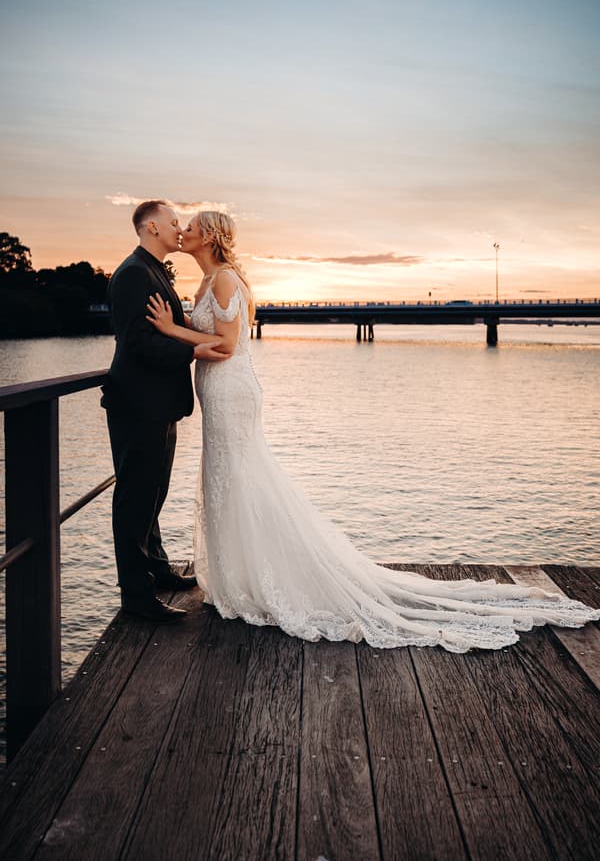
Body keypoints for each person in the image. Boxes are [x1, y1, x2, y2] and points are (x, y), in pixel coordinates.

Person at [146, 210, 600, 651]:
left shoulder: (225, 277)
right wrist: (180, 331)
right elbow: (208, 335)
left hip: (230, 390)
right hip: (215, 391)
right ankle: (237, 576)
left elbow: (225, 346)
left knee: (241, 478)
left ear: (210, 236)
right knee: (227, 478)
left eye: (190, 227)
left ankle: (260, 578)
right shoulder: (205, 280)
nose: (183, 232)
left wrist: (169, 329)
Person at [101, 200, 229, 623]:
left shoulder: (153, 270)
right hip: (138, 403)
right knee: (135, 497)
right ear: (151, 227)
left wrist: (185, 339)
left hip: (157, 403)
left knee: (153, 493)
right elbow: (138, 342)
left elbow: (166, 330)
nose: (179, 228)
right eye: (174, 222)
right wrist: (193, 349)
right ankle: (137, 596)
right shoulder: (134, 273)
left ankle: (156, 569)